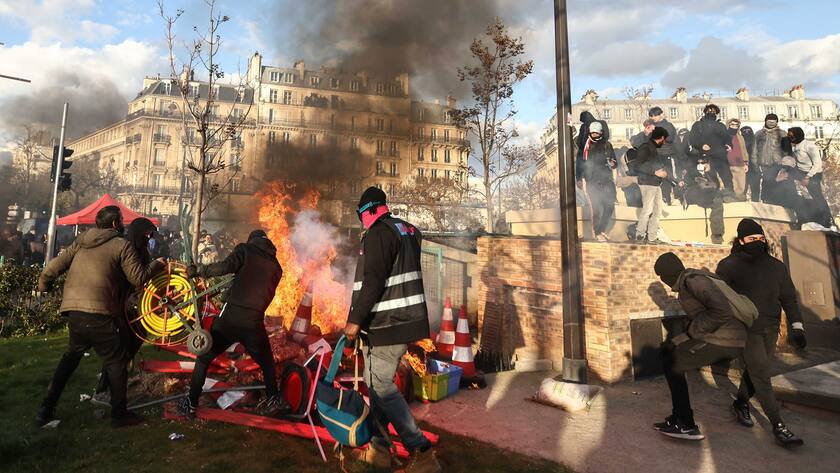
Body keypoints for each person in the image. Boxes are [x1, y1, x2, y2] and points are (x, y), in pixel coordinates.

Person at [36, 206, 164, 428]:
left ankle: (45, 410)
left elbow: (53, 268)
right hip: (100, 312)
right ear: (115, 223)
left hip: (74, 311)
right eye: (121, 220)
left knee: (70, 359)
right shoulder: (120, 245)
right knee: (117, 361)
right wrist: (157, 265)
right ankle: (119, 414)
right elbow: (137, 278)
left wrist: (44, 284)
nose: (123, 223)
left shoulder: (81, 240)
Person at [344, 187, 440, 472]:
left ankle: (421, 450)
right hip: (403, 322)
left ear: (372, 210)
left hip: (387, 324)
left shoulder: (378, 233)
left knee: (383, 387)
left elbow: (373, 281)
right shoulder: (408, 231)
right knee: (375, 387)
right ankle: (379, 450)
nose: (361, 221)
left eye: (361, 215)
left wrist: (355, 320)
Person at [178, 229, 291, 418]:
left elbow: (225, 267)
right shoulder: (277, 268)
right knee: (267, 362)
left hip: (231, 318)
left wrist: (199, 271)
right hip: (254, 321)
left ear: (252, 240)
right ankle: (273, 399)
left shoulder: (246, 250)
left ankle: (190, 403)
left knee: (204, 357)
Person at [715, 219, 804, 447]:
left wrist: (797, 326)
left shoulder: (777, 267)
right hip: (746, 330)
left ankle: (741, 402)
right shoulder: (728, 266)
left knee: (756, 371)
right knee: (762, 375)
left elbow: (789, 298)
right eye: (751, 238)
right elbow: (720, 300)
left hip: (771, 328)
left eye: (759, 238)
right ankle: (779, 426)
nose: (756, 242)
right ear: (741, 241)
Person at [652, 252, 747, 440]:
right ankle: (677, 417)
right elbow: (697, 320)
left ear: (669, 274)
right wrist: (677, 340)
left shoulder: (694, 281)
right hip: (717, 336)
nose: (664, 282)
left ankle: (686, 424)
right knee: (667, 355)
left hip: (726, 339)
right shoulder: (687, 284)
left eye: (663, 277)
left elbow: (721, 312)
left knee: (674, 364)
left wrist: (689, 334)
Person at [91, 217, 158, 407]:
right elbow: (136, 277)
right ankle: (103, 390)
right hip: (121, 307)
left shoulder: (142, 250)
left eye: (150, 234)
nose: (149, 237)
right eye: (146, 233)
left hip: (135, 307)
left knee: (132, 343)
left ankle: (114, 387)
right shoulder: (127, 249)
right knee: (119, 352)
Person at [576, 121, 618, 242]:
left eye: (596, 133)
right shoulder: (586, 146)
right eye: (592, 133)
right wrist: (578, 178)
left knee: (609, 205)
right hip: (592, 181)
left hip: (607, 179)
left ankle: (602, 229)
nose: (594, 135)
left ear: (601, 132)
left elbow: (615, 162)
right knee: (596, 208)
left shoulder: (607, 145)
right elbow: (580, 164)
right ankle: (597, 232)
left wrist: (612, 163)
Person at [789, 127, 834, 228]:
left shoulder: (809, 146)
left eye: (792, 136)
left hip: (813, 174)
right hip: (800, 172)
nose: (791, 138)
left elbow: (818, 164)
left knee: (817, 195)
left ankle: (827, 219)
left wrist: (807, 177)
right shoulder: (795, 147)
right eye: (789, 136)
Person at [633, 127, 670, 244]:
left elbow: (656, 166)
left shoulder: (653, 148)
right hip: (647, 183)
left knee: (657, 210)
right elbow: (637, 165)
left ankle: (652, 237)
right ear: (662, 138)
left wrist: (667, 175)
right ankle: (640, 235)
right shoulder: (646, 147)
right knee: (647, 210)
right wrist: (655, 172)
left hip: (655, 183)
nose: (665, 143)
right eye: (665, 140)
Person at [690, 104, 733, 194]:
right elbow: (692, 139)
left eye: (713, 111)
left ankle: (729, 196)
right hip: (705, 157)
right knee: (709, 180)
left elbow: (727, 138)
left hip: (720, 156)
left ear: (716, 113)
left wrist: (729, 145)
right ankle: (710, 199)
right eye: (709, 111)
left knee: (727, 178)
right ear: (705, 112)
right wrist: (701, 145)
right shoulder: (698, 125)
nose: (711, 112)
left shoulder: (721, 125)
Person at [680, 158, 725, 244]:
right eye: (699, 162)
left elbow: (717, 186)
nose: (701, 164)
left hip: (709, 197)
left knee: (718, 203)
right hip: (696, 196)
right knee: (716, 202)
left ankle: (717, 234)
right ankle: (717, 235)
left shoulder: (711, 173)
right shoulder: (691, 173)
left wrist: (708, 174)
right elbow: (687, 187)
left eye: (703, 162)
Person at [752, 114, 786, 201]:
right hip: (764, 164)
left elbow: (787, 150)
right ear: (765, 121)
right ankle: (766, 201)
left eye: (773, 120)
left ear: (777, 122)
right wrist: (755, 164)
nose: (771, 122)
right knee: (766, 183)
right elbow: (754, 150)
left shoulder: (782, 134)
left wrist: (786, 165)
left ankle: (777, 202)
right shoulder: (759, 134)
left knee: (778, 184)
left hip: (778, 163)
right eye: (769, 120)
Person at [649, 107, 679, 205]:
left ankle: (673, 196)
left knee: (669, 176)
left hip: (667, 154)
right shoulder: (652, 126)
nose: (653, 117)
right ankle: (661, 199)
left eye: (655, 115)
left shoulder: (668, 125)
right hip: (656, 155)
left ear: (661, 114)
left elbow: (670, 138)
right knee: (657, 177)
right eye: (651, 116)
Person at [726, 119, 750, 200]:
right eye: (732, 125)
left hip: (739, 164)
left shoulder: (740, 137)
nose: (734, 127)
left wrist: (746, 163)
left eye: (736, 125)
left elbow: (744, 150)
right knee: (728, 184)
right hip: (727, 164)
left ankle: (739, 201)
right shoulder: (723, 136)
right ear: (728, 125)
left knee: (740, 185)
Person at [741, 126, 759, 202]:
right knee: (743, 189)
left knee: (755, 189)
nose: (747, 133)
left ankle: (755, 206)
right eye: (744, 131)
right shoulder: (740, 141)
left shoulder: (755, 141)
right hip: (743, 168)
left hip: (754, 167)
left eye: (748, 131)